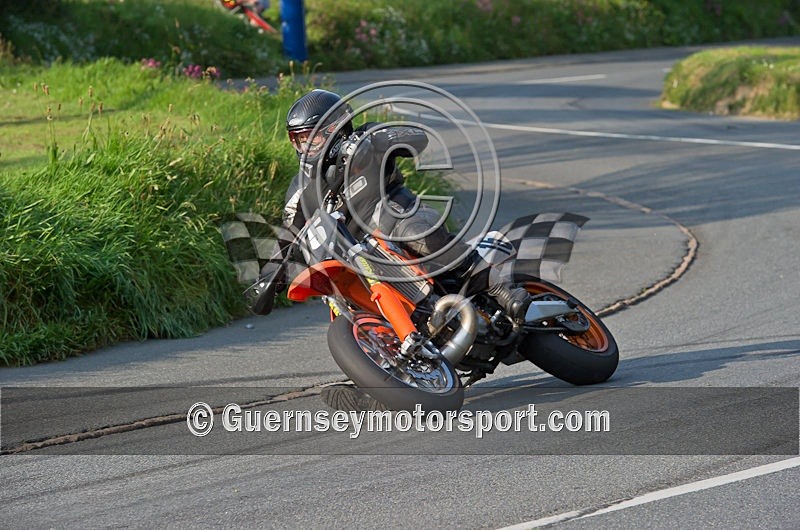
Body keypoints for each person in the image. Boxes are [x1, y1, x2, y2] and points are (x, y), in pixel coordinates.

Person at [249, 89, 531, 323]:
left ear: (335, 128)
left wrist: (374, 139)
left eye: (312, 137)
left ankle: (501, 288)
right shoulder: (301, 188)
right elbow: (290, 235)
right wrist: (268, 279)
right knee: (338, 297)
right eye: (299, 139)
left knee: (417, 233)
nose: (305, 146)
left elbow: (417, 138)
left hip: (397, 217)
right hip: (355, 257)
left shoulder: (366, 139)